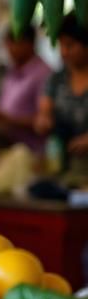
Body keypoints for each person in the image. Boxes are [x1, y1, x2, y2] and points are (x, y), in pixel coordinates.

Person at [36, 15, 88, 180]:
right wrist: (43, 120)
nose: (64, 51)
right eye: (61, 45)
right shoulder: (56, 79)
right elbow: (44, 112)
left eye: (70, 45)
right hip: (63, 167)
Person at [0, 25, 52, 151]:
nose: (9, 50)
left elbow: (45, 121)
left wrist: (9, 120)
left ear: (28, 44)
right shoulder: (12, 71)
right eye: (7, 45)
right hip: (9, 149)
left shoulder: (43, 74)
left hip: (33, 152)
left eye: (13, 44)